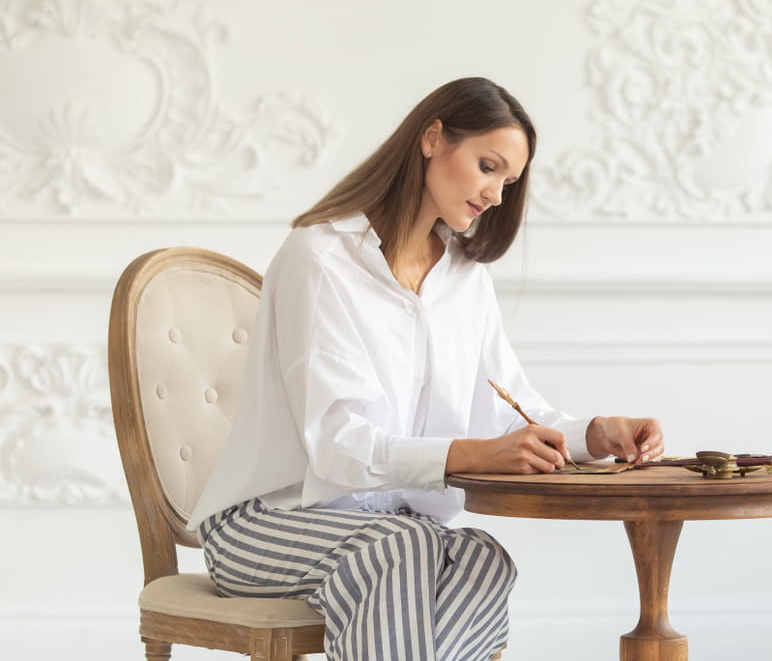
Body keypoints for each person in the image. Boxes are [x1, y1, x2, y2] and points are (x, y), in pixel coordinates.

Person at [187, 76, 664, 661]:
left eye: (508, 183)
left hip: (390, 530)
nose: (495, 194)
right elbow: (338, 446)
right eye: (488, 166)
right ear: (433, 137)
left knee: (484, 559)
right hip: (267, 524)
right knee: (404, 549)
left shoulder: (465, 279)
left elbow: (507, 404)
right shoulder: (319, 258)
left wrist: (594, 434)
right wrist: (468, 455)